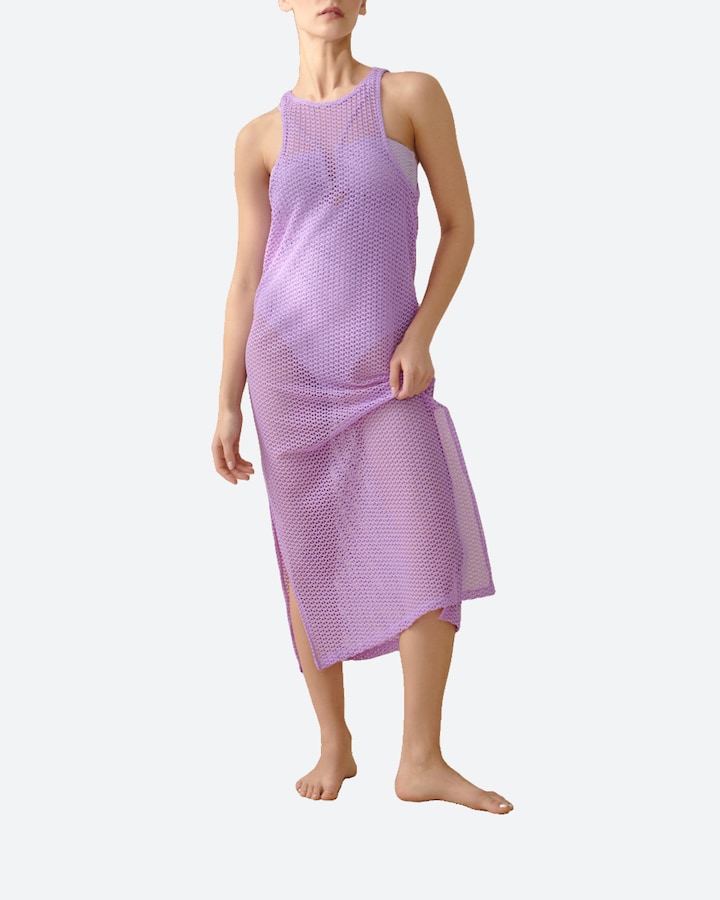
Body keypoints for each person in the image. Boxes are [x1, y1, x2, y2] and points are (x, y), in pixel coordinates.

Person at [211, 0, 513, 814]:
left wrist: (420, 334)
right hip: (286, 368)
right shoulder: (257, 138)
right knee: (307, 553)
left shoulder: (410, 96)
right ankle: (333, 742)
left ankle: (421, 759)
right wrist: (227, 401)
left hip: (385, 369)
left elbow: (458, 227)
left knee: (427, 539)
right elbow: (246, 277)